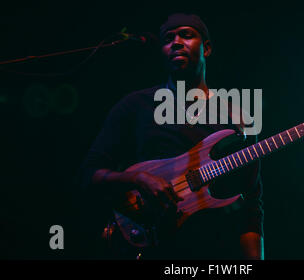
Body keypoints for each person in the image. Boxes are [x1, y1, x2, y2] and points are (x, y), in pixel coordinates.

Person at [80, 13, 264, 260]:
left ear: (206, 48)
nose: (176, 42)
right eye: (168, 38)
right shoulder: (135, 106)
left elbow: (250, 208)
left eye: (186, 35)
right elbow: (89, 173)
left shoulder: (238, 119)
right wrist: (137, 178)